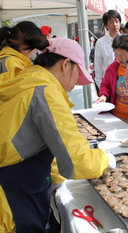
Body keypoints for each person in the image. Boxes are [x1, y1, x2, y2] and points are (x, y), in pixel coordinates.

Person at [0, 37, 114, 233]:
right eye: (77, 75)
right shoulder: (46, 92)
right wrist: (104, 160)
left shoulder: (29, 79)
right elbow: (78, 161)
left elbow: (44, 139)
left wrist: (56, 176)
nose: (76, 84)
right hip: (12, 195)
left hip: (21, 183)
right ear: (65, 64)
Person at [95, 34, 128, 125]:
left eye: (122, 54)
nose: (119, 58)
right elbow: (105, 85)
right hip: (117, 115)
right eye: (116, 54)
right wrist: (103, 95)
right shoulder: (112, 68)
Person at [94, 10, 121, 88]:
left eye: (117, 21)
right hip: (107, 81)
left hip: (123, 80)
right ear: (106, 25)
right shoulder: (100, 42)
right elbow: (98, 64)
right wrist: (100, 84)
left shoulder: (125, 39)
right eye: (111, 22)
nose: (115, 24)